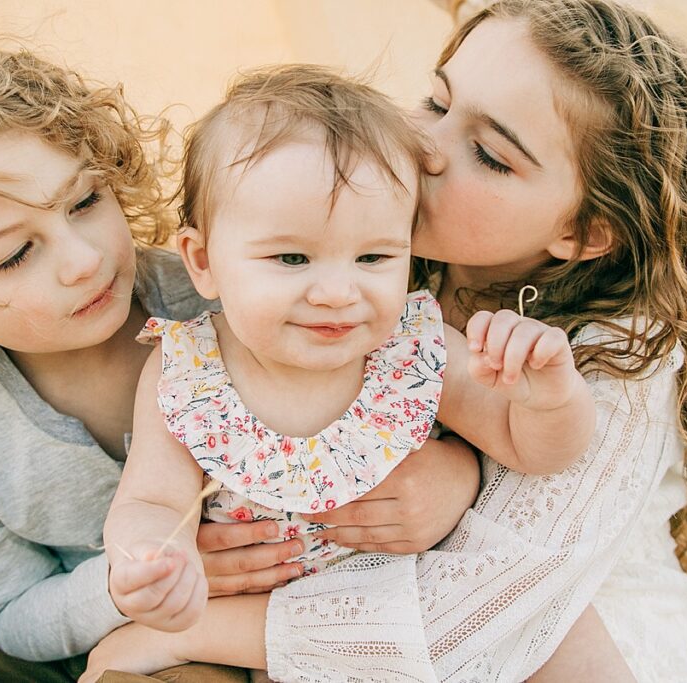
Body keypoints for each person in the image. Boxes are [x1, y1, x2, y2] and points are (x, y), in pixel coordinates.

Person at [83, 1, 687, 681]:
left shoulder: (620, 348)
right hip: (358, 586)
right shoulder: (365, 250)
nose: (423, 148)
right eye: (435, 100)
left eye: (488, 154)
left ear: (582, 232)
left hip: (539, 600)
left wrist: (186, 629)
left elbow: (474, 610)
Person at [0, 40, 475, 683]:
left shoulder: (245, 287)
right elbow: (12, 612)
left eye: (85, 201)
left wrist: (458, 473)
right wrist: (119, 583)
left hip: (226, 640)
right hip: (89, 620)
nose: (83, 261)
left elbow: (422, 378)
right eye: (14, 255)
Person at [90, 63, 595, 672]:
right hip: (256, 635)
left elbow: (533, 449)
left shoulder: (416, 350)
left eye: (373, 256)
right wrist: (147, 558)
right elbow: (150, 498)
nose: (336, 291)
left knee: (567, 646)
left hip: (402, 622)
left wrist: (550, 398)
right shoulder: (188, 372)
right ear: (203, 262)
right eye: (292, 257)